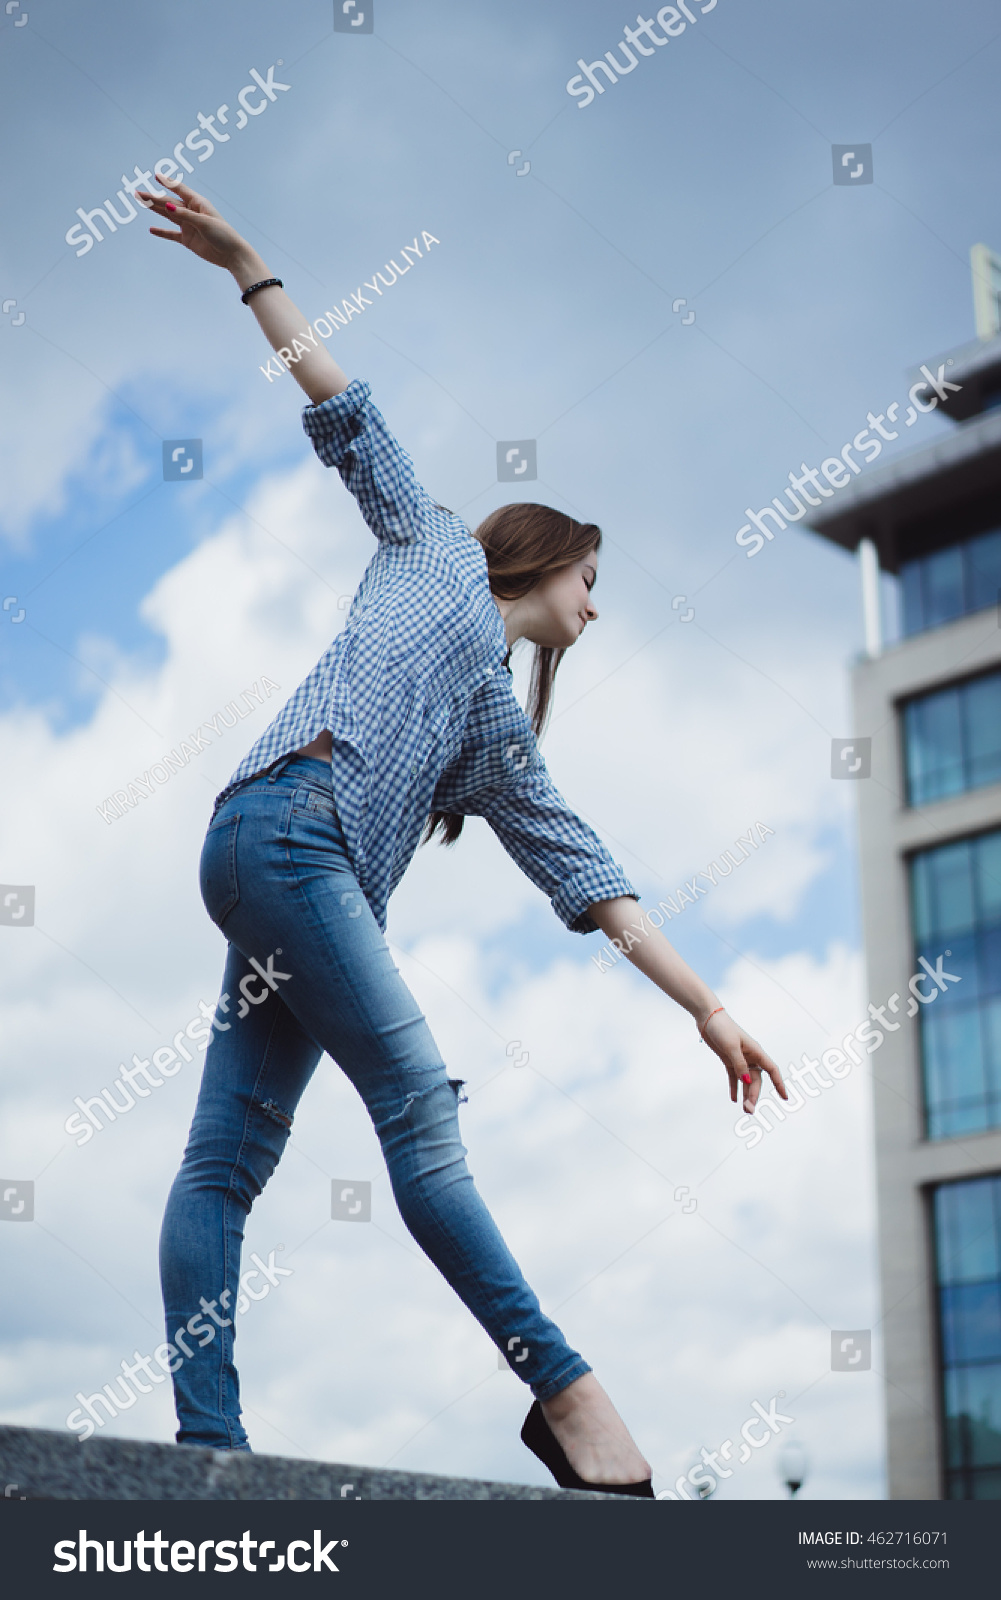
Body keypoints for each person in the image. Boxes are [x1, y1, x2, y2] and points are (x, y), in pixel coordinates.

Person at [140, 174, 787, 1496]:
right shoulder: (431, 545)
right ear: (542, 561)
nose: (596, 613)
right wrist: (246, 264)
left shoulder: (497, 743)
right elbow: (340, 402)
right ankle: (572, 1399)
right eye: (590, 583)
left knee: (223, 1165)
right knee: (422, 1115)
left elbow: (598, 884)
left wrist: (708, 1010)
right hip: (287, 833)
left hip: (278, 875)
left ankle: (206, 1452)